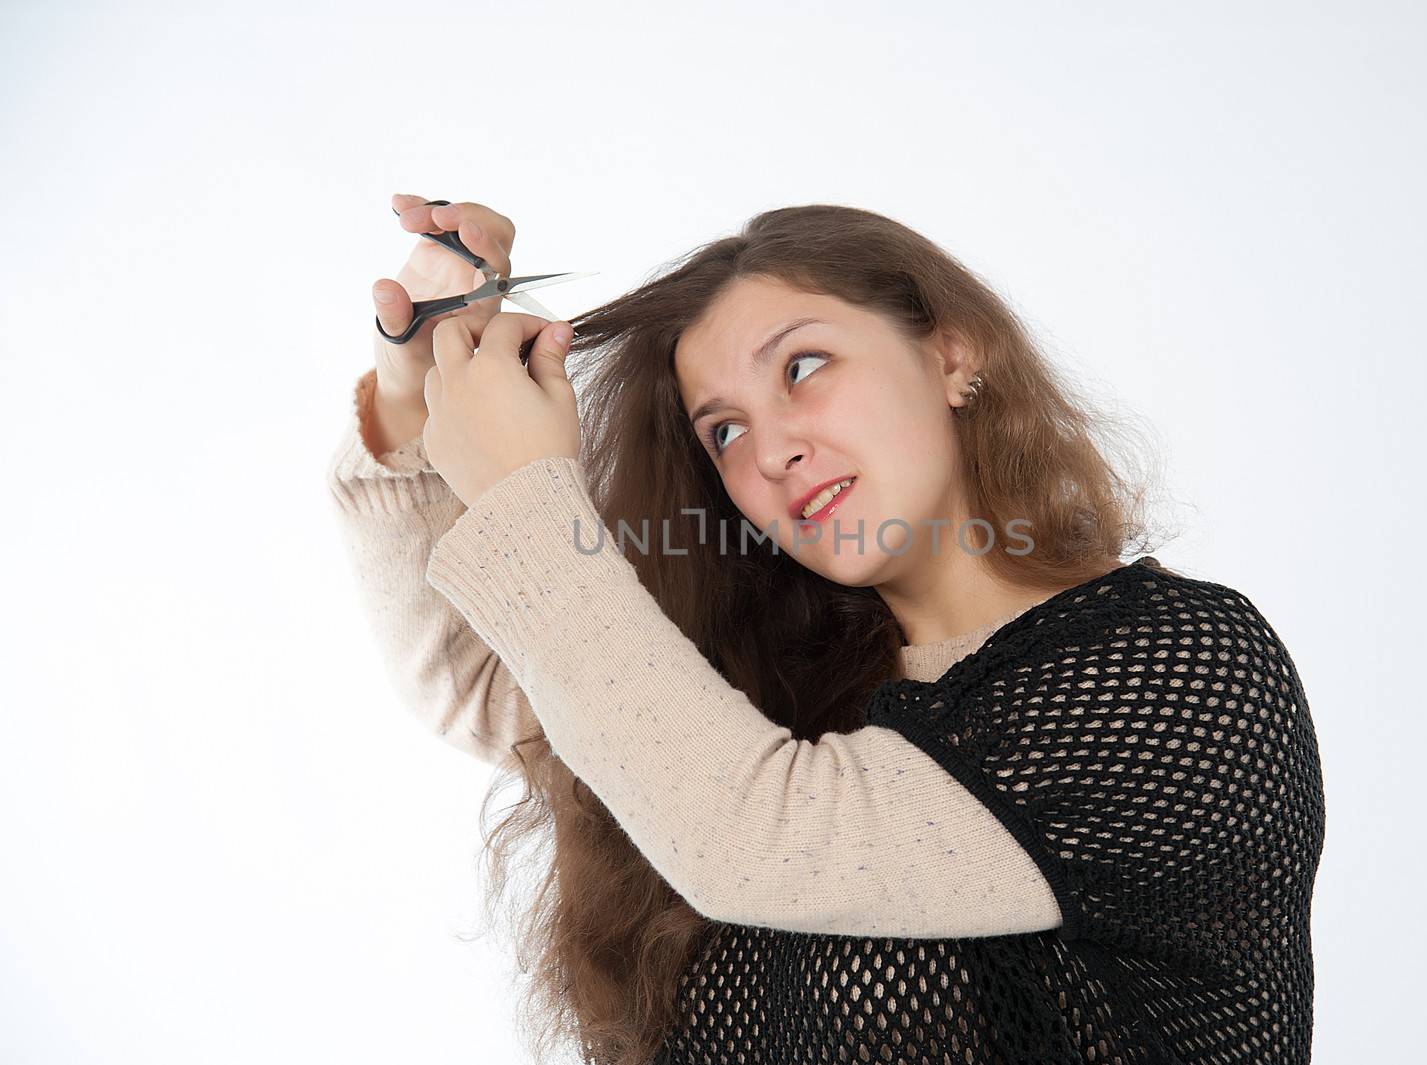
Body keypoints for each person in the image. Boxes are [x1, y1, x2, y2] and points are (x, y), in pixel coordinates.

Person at [327, 196, 1326, 1065]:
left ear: (951, 355)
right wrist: (418, 386)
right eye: (723, 430)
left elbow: (760, 839)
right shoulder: (776, 698)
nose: (773, 449)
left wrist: (526, 498)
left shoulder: (1181, 669)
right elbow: (480, 679)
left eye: (802, 367)